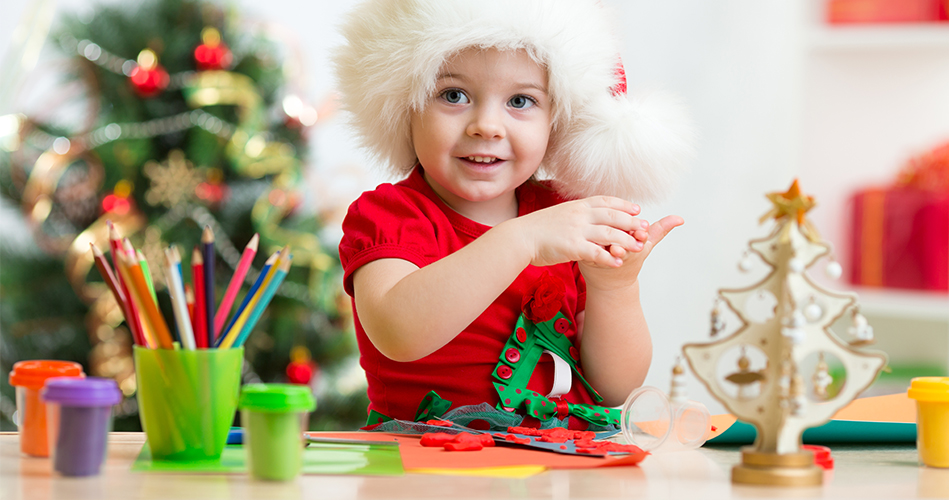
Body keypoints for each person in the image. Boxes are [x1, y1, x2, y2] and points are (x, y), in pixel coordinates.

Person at [333, 0, 693, 429]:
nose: (487, 125)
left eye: (520, 101)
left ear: (556, 122)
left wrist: (615, 288)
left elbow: (616, 387)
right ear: (405, 106)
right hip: (428, 463)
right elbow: (399, 331)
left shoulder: (565, 217)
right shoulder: (388, 215)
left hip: (559, 466)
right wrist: (521, 240)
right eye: (454, 95)